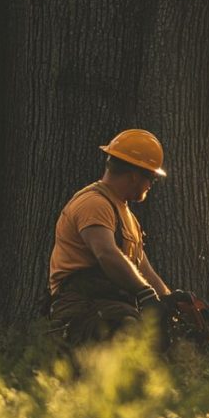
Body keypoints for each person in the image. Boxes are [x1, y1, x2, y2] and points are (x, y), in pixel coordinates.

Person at [47, 129, 172, 344]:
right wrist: (146, 294)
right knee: (129, 331)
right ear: (133, 175)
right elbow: (106, 253)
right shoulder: (94, 204)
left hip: (112, 304)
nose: (151, 185)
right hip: (83, 305)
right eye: (150, 177)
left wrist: (168, 300)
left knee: (163, 337)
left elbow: (143, 268)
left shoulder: (127, 215)